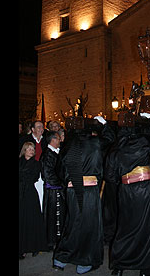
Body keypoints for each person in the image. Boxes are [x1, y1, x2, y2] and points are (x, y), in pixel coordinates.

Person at [53, 116, 115, 274]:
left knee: (73, 222)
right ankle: (84, 262)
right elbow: (110, 137)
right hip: (89, 190)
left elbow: (60, 170)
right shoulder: (95, 143)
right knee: (89, 225)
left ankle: (61, 258)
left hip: (73, 189)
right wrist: (103, 123)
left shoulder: (68, 146)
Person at [104, 112, 150, 276]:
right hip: (145, 189)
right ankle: (146, 267)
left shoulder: (116, 148)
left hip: (126, 190)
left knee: (125, 227)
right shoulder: (144, 142)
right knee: (147, 228)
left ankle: (119, 266)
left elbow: (109, 175)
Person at [19, 142, 47, 259]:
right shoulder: (19, 162)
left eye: (33, 149)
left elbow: (34, 177)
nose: (31, 151)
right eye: (29, 149)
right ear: (24, 150)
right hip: (20, 192)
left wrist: (22, 175)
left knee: (31, 218)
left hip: (30, 192)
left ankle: (34, 245)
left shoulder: (36, 163)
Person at [41, 131, 66, 251]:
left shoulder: (55, 153)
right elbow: (48, 174)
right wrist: (60, 183)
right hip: (53, 190)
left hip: (58, 188)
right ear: (53, 140)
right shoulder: (48, 155)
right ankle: (52, 241)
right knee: (54, 215)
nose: (60, 140)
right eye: (58, 138)